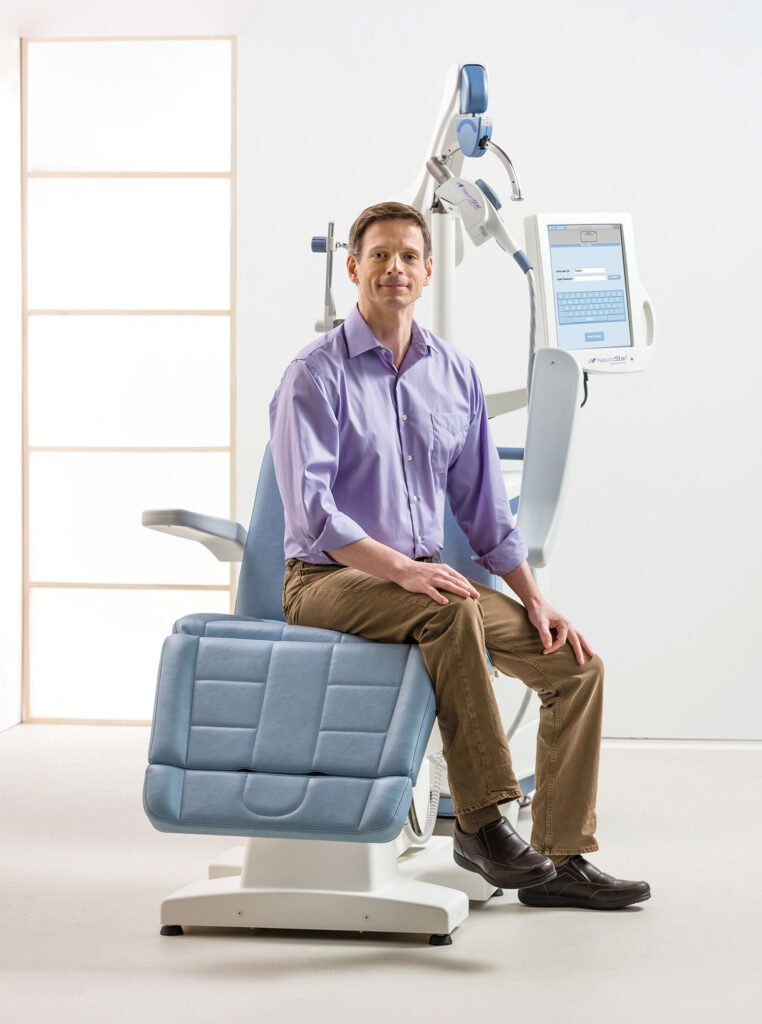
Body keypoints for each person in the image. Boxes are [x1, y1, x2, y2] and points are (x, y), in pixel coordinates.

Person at [269, 201, 650, 910]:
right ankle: (481, 826)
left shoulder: (453, 373)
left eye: (409, 256)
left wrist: (535, 599)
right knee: (446, 613)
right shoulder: (313, 375)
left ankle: (563, 860)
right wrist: (405, 569)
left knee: (575, 666)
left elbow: (483, 509)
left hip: (424, 586)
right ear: (354, 268)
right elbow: (314, 515)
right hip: (326, 580)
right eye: (379, 255)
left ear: (428, 269)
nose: (395, 268)